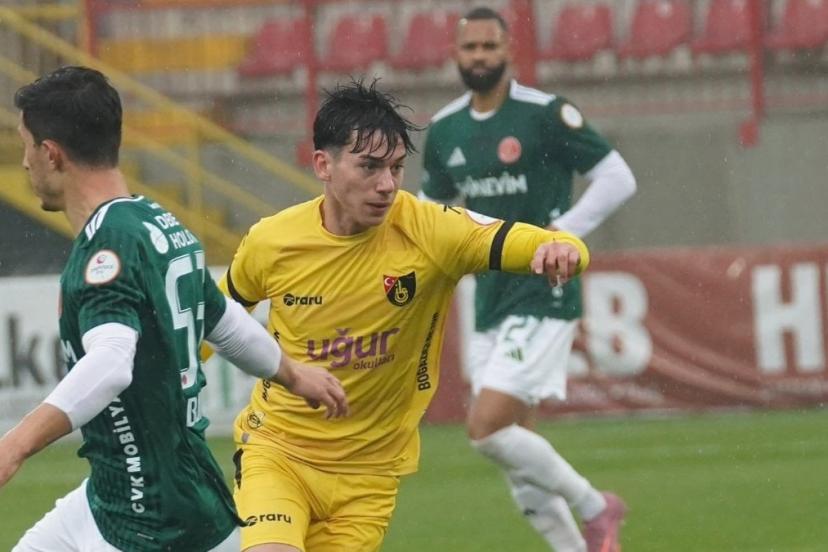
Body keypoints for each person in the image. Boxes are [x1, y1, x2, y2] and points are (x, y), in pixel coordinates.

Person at [220, 78, 590, 552]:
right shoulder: (272, 241)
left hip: (368, 478)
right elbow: (216, 311)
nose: (387, 185)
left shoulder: (430, 231)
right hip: (278, 454)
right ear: (323, 165)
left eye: (396, 167)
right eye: (369, 167)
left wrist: (561, 250)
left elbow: (541, 241)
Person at [0, 66, 348, 552]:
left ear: (52, 153)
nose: (24, 162)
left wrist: (14, 445)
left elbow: (111, 363)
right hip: (115, 496)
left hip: (153, 521)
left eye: (27, 146)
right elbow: (222, 319)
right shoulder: (157, 222)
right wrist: (292, 374)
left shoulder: (107, 249)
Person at [419, 7, 637, 552]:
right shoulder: (446, 130)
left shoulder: (544, 114)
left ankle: (596, 506)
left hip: (543, 292)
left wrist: (562, 232)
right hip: (487, 298)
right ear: (455, 55)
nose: (480, 57)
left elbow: (617, 178)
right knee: (514, 445)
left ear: (509, 51)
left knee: (486, 428)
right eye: (470, 48)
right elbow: (429, 215)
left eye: (489, 46)